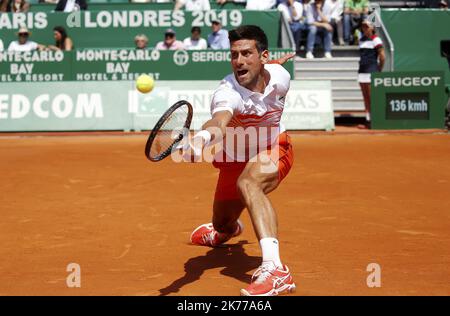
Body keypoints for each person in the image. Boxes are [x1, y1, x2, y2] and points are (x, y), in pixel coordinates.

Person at [186, 25, 296, 296]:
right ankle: (226, 230)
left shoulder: (281, 77)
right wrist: (200, 139)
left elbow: (273, 73)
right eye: (234, 55)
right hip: (234, 157)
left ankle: (276, 270)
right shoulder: (227, 92)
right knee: (222, 223)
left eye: (247, 53)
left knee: (250, 183)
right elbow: (219, 121)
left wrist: (272, 66)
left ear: (264, 56)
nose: (239, 61)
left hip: (273, 148)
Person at [358, 20, 385, 129]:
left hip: (371, 70)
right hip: (361, 70)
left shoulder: (376, 39)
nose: (365, 29)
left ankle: (376, 121)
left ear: (372, 28)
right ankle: (368, 120)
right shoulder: (361, 40)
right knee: (365, 97)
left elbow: (382, 56)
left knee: (371, 96)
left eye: (367, 27)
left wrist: (379, 69)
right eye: (363, 27)